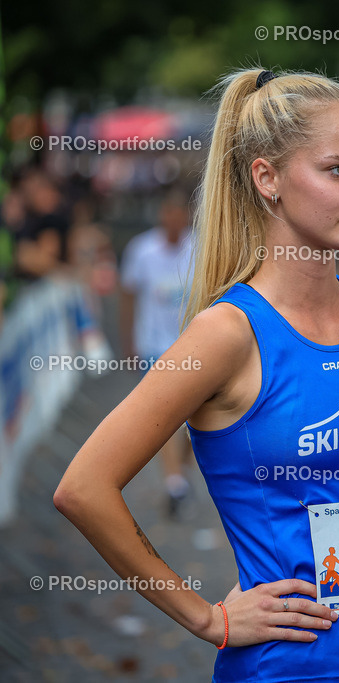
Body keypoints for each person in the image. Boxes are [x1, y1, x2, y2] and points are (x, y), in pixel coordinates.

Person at [54, 67, 339, 683]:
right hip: (287, 670)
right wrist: (206, 619)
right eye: (337, 169)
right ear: (266, 178)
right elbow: (84, 487)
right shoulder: (226, 335)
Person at [120, 187, 195, 517]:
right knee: (165, 418)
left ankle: (181, 474)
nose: (174, 221)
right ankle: (173, 480)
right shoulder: (142, 250)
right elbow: (128, 295)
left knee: (195, 421)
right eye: (168, 214)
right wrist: (129, 343)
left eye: (179, 214)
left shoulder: (200, 247)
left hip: (194, 347)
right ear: (161, 216)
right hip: (155, 348)